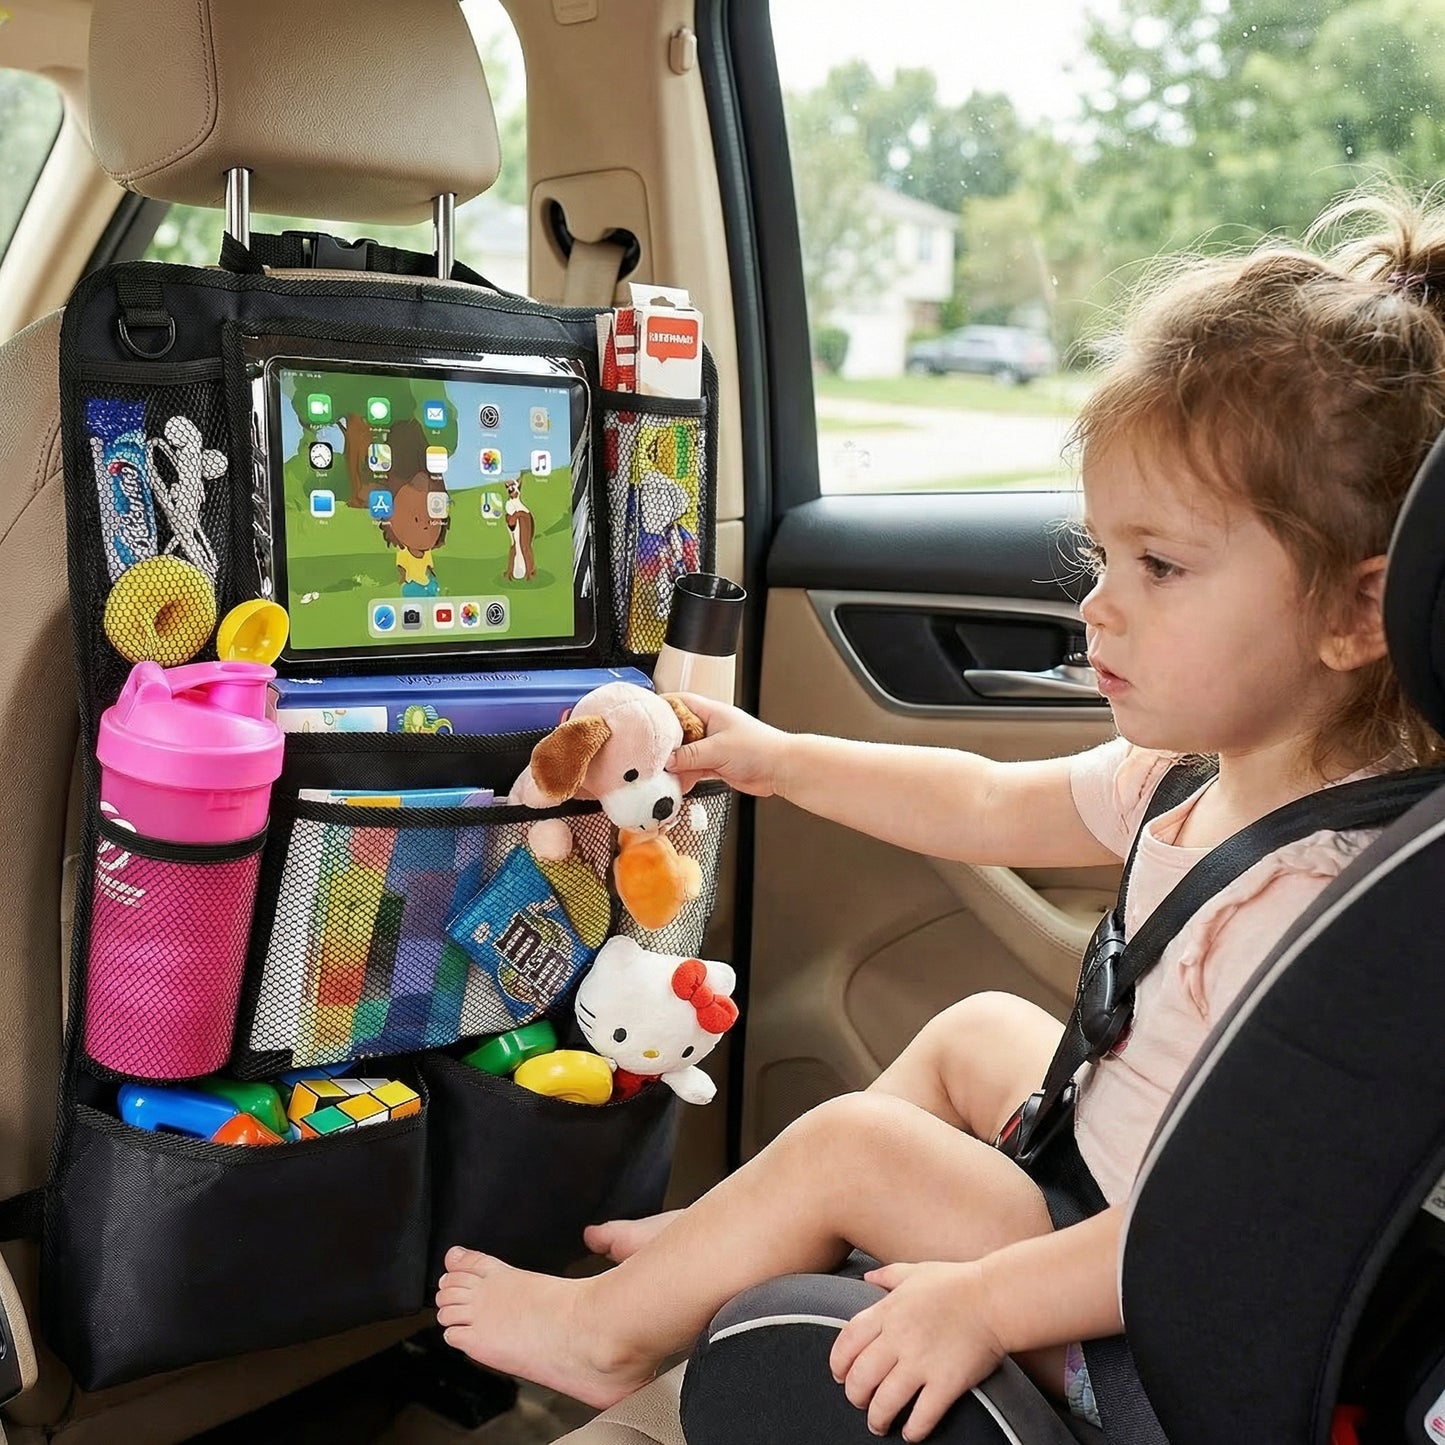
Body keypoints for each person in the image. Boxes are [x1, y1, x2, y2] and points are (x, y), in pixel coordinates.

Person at [435, 191, 1445, 1441]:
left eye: (1160, 566)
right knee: (976, 1030)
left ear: (1354, 614)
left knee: (855, 1146)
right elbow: (981, 798)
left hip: (1152, 1318)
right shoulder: (1196, 773)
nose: (1098, 606)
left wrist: (980, 1301)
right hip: (1113, 1204)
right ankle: (721, 1241)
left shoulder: (1315, 905)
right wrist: (781, 759)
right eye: (1102, 557)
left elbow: (1233, 1233)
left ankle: (606, 1333)